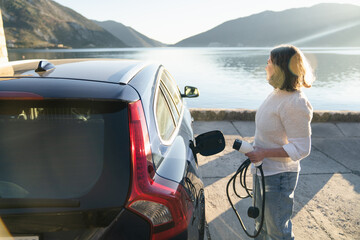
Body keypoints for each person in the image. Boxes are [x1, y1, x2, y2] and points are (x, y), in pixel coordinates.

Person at [245, 44, 314, 240]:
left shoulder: (295, 102)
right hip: (263, 171)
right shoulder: (277, 93)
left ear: (281, 67)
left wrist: (264, 153)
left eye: (269, 62)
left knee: (277, 232)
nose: (266, 66)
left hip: (279, 177)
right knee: (262, 226)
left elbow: (302, 148)